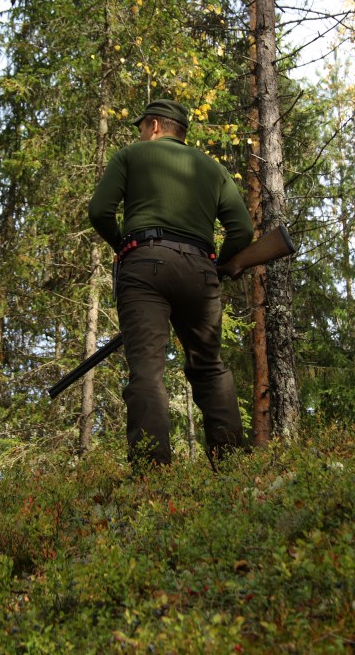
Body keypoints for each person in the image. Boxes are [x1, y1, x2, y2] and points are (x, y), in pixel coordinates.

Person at [88, 98, 254, 469]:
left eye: (141, 127)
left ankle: (154, 474)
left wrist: (122, 246)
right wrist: (219, 264)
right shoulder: (213, 169)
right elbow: (242, 230)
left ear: (154, 126)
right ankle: (233, 467)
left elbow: (99, 211)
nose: (140, 134)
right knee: (209, 367)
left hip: (144, 266)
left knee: (147, 370)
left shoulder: (130, 156)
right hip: (201, 272)